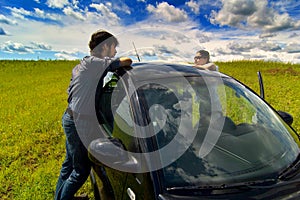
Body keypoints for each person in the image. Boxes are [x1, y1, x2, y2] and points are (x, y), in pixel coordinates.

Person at [55, 30, 132, 200]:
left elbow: (71, 92)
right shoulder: (96, 63)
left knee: (68, 165)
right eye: (114, 47)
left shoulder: (82, 65)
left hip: (70, 117)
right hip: (79, 121)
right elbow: (127, 61)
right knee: (81, 170)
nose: (116, 51)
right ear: (105, 46)